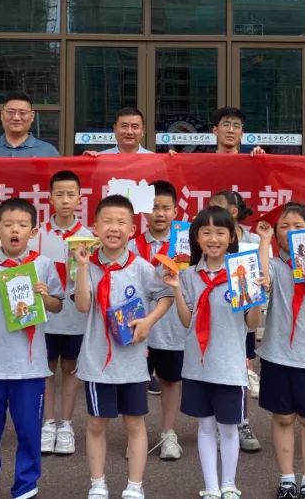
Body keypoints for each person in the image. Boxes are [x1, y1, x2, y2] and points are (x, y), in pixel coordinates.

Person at [162, 205, 267, 499]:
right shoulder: (189, 275)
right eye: (206, 232)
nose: (213, 238)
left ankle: (229, 484)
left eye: (220, 232)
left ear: (231, 236)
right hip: (198, 365)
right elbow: (187, 321)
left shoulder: (241, 271)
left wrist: (256, 298)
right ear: (196, 237)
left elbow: (252, 324)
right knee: (206, 427)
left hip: (229, 365)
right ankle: (210, 487)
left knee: (229, 428)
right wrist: (176, 289)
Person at [73, 194, 174, 499]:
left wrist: (149, 322)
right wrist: (81, 268)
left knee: (134, 423)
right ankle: (97, 483)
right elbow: (82, 306)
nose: (113, 228)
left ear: (132, 230)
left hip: (132, 363)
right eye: (107, 221)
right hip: (97, 362)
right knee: (96, 423)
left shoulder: (141, 267)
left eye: (121, 222)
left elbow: (165, 296)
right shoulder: (87, 264)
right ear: (95, 228)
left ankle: (135, 485)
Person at [0, 198, 63, 499]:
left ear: (33, 231)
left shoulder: (42, 265)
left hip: (30, 367)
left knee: (29, 432)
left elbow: (57, 306)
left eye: (22, 225)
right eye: (8, 224)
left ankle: (26, 486)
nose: (15, 230)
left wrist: (45, 297)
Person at [254, 203, 305, 499]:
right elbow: (260, 281)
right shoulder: (275, 265)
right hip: (276, 355)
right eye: (284, 226)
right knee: (282, 418)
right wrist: (264, 241)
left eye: (298, 227)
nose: (290, 232)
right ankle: (287, 479)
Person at [39, 170, 93, 457]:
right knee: (46, 369)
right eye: (59, 194)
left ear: (79, 198)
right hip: (45, 316)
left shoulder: (88, 237)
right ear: (50, 198)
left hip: (75, 318)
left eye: (70, 194)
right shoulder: (36, 234)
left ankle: (67, 424)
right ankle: (48, 423)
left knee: (70, 369)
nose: (64, 200)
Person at [131, 180, 185, 461]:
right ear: (144, 210)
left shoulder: (185, 246)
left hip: (171, 326)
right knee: (136, 381)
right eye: (154, 208)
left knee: (170, 381)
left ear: (175, 211)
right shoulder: (131, 244)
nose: (160, 214)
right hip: (137, 325)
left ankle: (168, 433)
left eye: (166, 208)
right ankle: (135, 434)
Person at [207, 190, 261, 452]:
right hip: (217, 314)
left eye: (217, 207)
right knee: (215, 369)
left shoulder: (252, 240)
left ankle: (243, 422)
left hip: (244, 310)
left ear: (234, 212)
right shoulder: (208, 239)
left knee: (242, 369)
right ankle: (218, 424)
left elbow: (260, 275)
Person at [0, 93, 59, 158]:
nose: (16, 118)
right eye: (10, 112)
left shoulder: (48, 152)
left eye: (22, 113)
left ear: (32, 116)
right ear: (2, 115)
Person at [84, 107, 155, 156]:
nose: (129, 132)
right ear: (115, 129)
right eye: (124, 126)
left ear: (142, 131)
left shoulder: (153, 160)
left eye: (135, 127)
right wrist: (88, 161)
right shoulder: (102, 158)